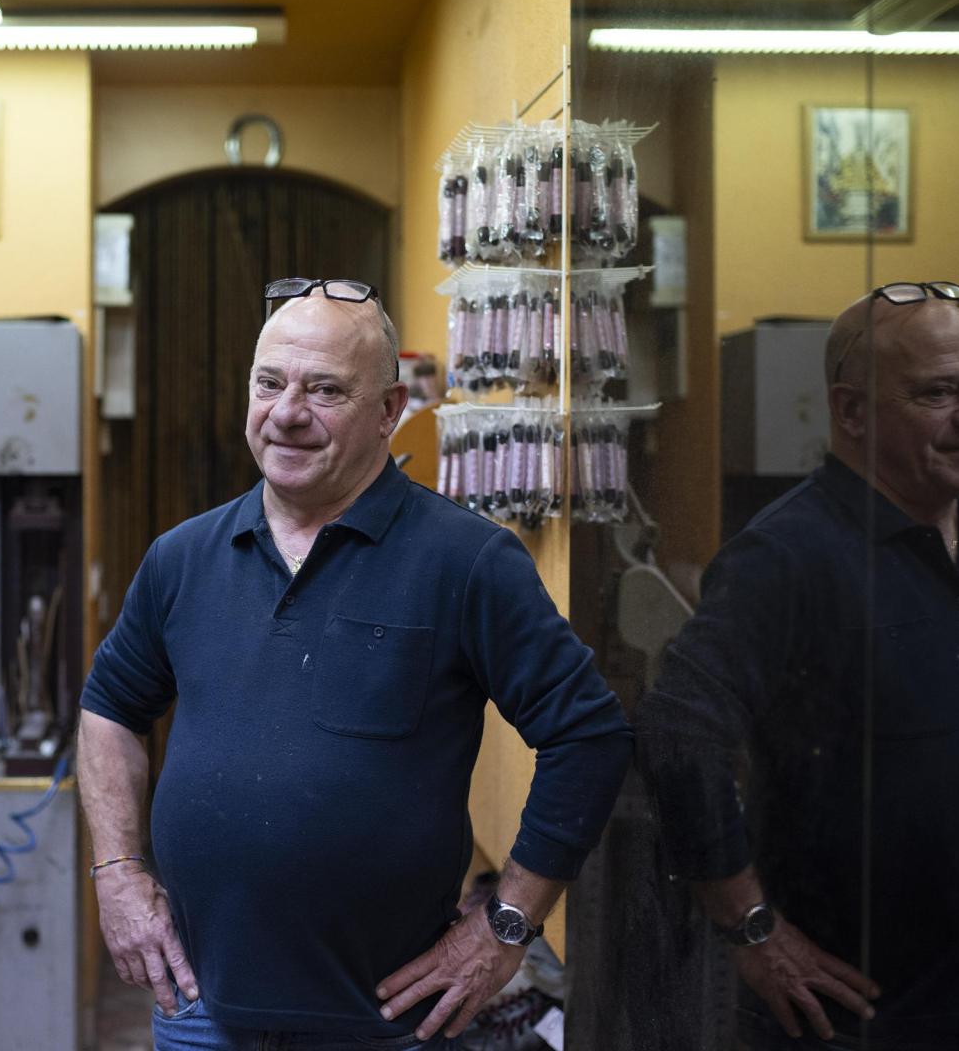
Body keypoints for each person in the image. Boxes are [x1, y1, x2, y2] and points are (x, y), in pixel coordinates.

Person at [78, 277, 633, 1049]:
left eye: (325, 390)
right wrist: (117, 875)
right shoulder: (183, 558)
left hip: (381, 1019)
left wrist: (505, 928)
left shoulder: (465, 561)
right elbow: (110, 708)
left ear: (387, 411)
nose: (287, 413)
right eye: (268, 383)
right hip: (199, 1008)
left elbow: (589, 735)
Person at [634, 282, 959, 1050]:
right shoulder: (784, 558)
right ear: (850, 412)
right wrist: (753, 930)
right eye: (939, 393)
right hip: (863, 1017)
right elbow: (679, 733)